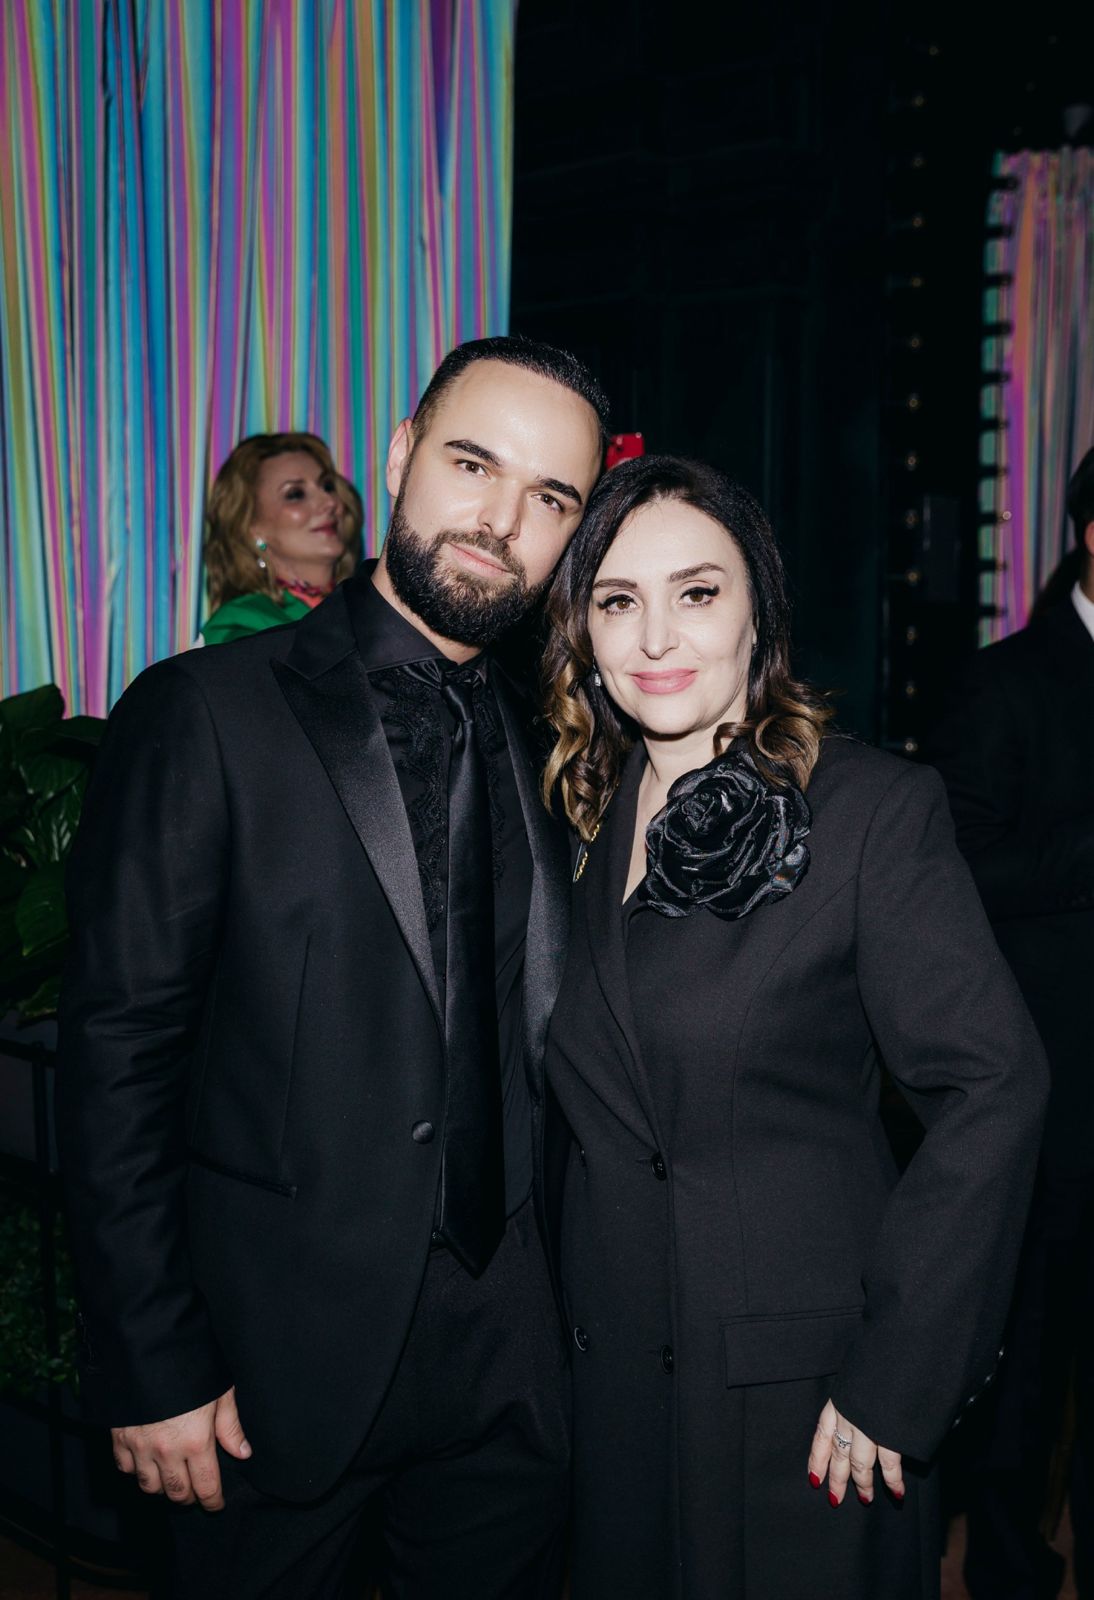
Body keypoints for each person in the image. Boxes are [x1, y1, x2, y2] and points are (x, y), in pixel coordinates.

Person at [56, 334, 607, 1599]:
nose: (500, 519)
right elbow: (119, 1054)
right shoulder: (204, 710)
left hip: (515, 1352)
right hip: (271, 1358)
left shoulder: (561, 738)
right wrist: (152, 1358)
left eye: (549, 496)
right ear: (402, 455)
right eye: (472, 463)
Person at [539, 454, 1048, 1599]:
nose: (655, 636)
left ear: (757, 611)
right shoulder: (573, 819)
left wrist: (900, 1376)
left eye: (696, 591)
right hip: (609, 1391)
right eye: (616, 601)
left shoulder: (867, 810)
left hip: (805, 1402)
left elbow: (992, 1085)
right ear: (581, 631)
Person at [930, 446, 1094, 1600]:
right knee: (1029, 1351)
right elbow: (958, 869)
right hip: (1057, 1083)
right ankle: (1001, 1570)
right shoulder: (1004, 683)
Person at [200, 431, 363, 645]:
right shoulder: (242, 629)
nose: (330, 502)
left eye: (328, 486)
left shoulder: (368, 609)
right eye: (295, 494)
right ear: (251, 527)